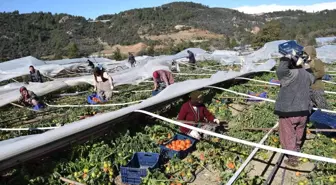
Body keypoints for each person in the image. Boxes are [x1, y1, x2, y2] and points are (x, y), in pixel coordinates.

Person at [274, 49, 315, 167]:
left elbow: (281, 70)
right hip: (304, 110)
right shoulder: (306, 74)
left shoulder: (290, 74)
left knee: (288, 133)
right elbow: (312, 76)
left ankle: (293, 158)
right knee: (299, 130)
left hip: (290, 110)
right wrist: (305, 63)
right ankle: (297, 148)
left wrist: (286, 57)